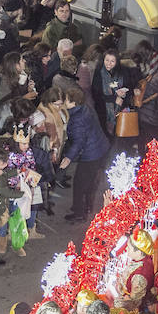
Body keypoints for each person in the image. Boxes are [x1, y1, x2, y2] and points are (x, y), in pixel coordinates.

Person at [60, 87, 109, 222]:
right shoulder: (84, 108)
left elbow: (79, 142)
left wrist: (68, 158)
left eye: (66, 100)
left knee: (80, 183)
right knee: (90, 181)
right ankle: (86, 206)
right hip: (100, 148)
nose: (64, 101)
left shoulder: (77, 119)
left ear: (73, 103)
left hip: (91, 154)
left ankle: (79, 213)